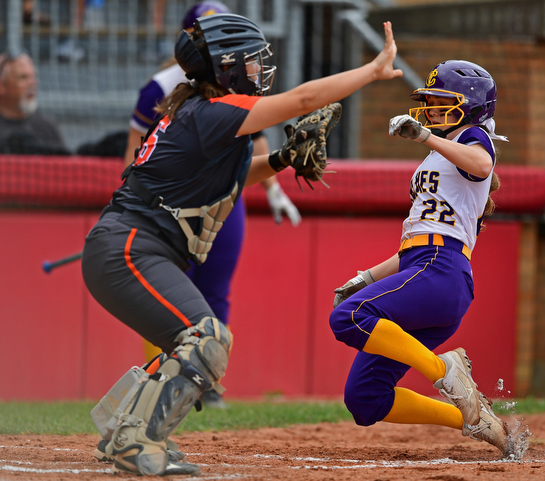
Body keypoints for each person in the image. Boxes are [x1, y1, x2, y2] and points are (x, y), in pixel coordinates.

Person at [81, 12, 402, 476]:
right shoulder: (213, 112)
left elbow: (228, 184)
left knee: (194, 339)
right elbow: (305, 99)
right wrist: (372, 71)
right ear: (226, 66)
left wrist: (283, 159)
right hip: (128, 248)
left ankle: (123, 428)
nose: (258, 70)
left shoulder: (201, 113)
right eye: (250, 62)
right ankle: (136, 441)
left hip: (128, 246)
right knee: (206, 339)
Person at [329, 60, 512, 458]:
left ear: (474, 105)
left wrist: (427, 136)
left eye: (441, 102)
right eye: (428, 103)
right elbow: (414, 244)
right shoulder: (443, 155)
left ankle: (445, 372)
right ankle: (474, 418)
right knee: (365, 400)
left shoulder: (474, 138)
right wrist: (363, 279)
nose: (431, 109)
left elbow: (481, 164)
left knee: (348, 319)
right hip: (425, 271)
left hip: (441, 271)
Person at [125, 1, 301, 409]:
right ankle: (164, 370)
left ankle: (207, 380)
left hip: (223, 194)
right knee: (166, 287)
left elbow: (253, 136)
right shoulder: (161, 86)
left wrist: (274, 188)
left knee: (216, 290)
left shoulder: (239, 78)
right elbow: (138, 149)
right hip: (176, 199)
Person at [0, 52, 70, 155]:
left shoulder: (46, 126)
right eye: (23, 77)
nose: (32, 83)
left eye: (33, 77)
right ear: (2, 86)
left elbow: (65, 167)